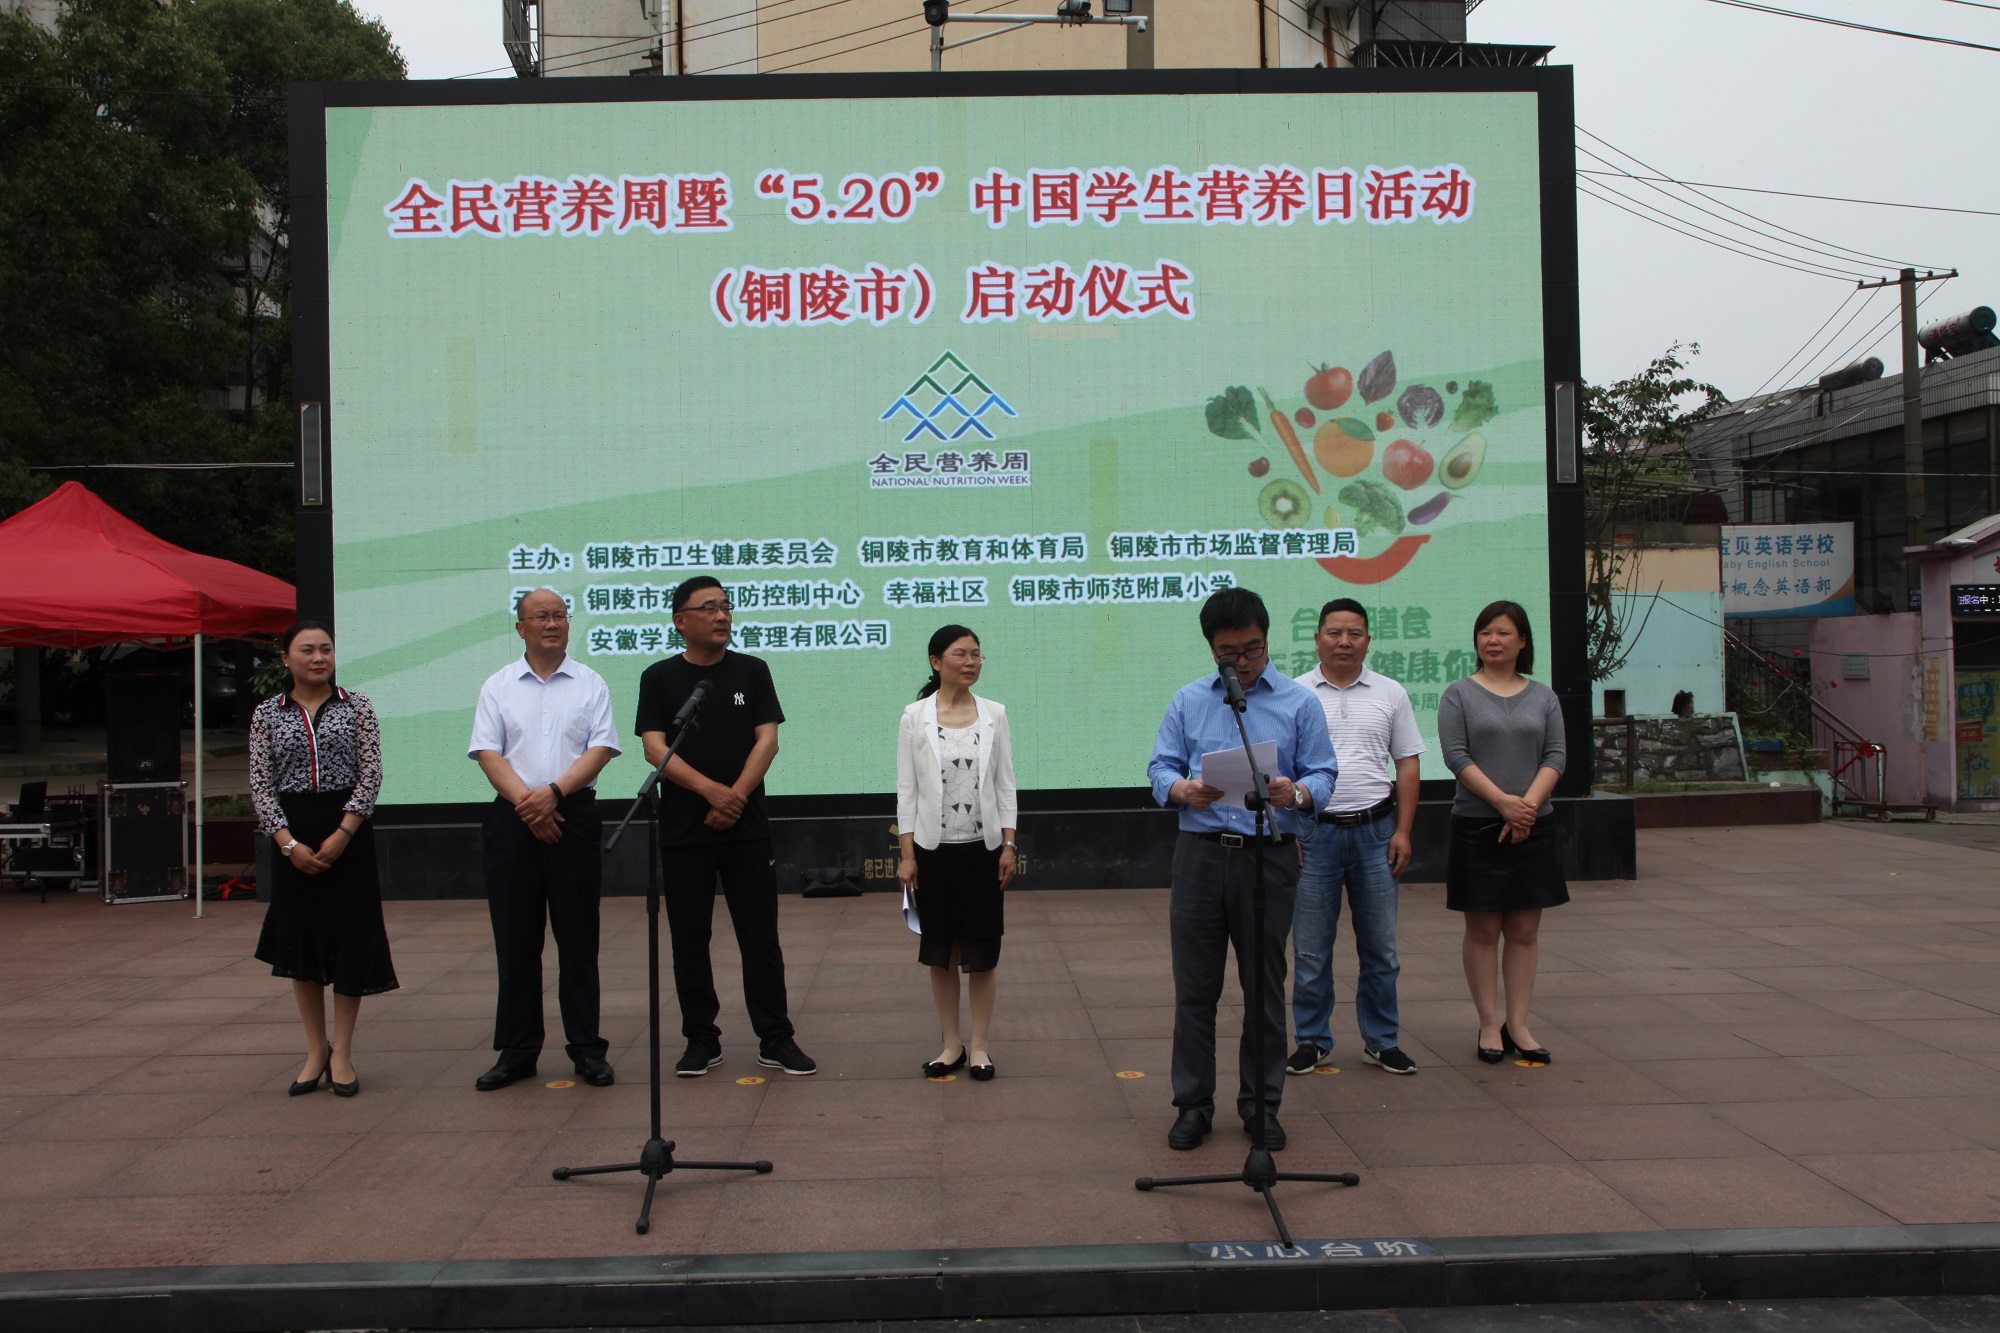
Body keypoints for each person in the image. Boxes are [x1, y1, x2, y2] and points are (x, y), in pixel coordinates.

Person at [1147, 587, 1337, 1152]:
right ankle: (1193, 1105)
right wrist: (1181, 789)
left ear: (1267, 639)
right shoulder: (1189, 700)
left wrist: (1295, 793)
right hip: (1201, 855)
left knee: (1264, 989)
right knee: (1195, 988)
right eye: (1229, 653)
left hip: (1268, 855)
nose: (1243, 661)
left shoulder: (1299, 703)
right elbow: (1160, 767)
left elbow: (1325, 774)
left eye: (1252, 648)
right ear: (1212, 649)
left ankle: (1261, 1106)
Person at [634, 575, 815, 1078]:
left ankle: (775, 1037)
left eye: (726, 606)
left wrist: (733, 796)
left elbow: (767, 741)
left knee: (760, 936)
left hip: (746, 827)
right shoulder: (659, 677)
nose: (722, 616)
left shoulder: (752, 670)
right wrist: (710, 792)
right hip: (684, 829)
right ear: (680, 620)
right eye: (709, 607)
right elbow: (653, 747)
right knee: (689, 938)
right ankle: (701, 1039)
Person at [468, 589, 620, 1091]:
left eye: (559, 615)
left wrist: (553, 795)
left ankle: (587, 1049)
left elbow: (601, 748)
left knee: (578, 940)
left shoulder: (591, 683)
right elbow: (488, 752)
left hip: (573, 815)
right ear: (521, 628)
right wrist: (529, 805)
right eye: (540, 617)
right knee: (516, 942)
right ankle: (517, 1052)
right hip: (513, 820)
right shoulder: (498, 685)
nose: (552, 624)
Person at [251, 620, 397, 1098]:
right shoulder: (267, 713)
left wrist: (343, 833)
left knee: (351, 938)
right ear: (285, 659)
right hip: (293, 833)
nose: (319, 658)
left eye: (326, 649)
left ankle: (343, 1052)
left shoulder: (357, 706)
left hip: (347, 833)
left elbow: (371, 773)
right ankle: (316, 1049)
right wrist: (287, 844)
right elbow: (261, 783)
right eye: (307, 650)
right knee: (303, 943)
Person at [1289, 599, 1425, 1079]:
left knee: (1381, 950)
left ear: (1368, 640)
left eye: (1354, 633)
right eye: (1334, 633)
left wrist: (1403, 830)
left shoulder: (1390, 692)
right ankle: (1312, 1041)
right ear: (1317, 639)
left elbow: (1407, 762)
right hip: (1313, 832)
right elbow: (1279, 768)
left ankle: (1382, 1041)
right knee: (1309, 951)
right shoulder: (1294, 693)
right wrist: (1289, 828)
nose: (1343, 642)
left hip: (1376, 832)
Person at [1437, 599, 1568, 1066]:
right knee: (1483, 928)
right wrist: (1504, 804)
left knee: (1525, 930)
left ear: (1523, 641)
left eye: (1503, 632)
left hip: (1533, 825)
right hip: (1478, 824)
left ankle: (1520, 1024)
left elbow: (1555, 755)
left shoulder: (1544, 697)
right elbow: (1456, 755)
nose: (1493, 641)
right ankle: (1489, 1023)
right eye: (1485, 632)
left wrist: (1525, 808)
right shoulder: (1459, 694)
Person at [895, 625, 1019, 1081]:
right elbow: (907, 790)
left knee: (983, 951)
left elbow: (1005, 784)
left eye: (977, 654)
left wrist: (1009, 844)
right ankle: (951, 1045)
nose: (971, 662)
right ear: (936, 661)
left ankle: (981, 1046)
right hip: (933, 852)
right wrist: (907, 855)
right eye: (961, 654)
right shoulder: (914, 717)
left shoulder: (995, 714)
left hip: (984, 851)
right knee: (941, 951)